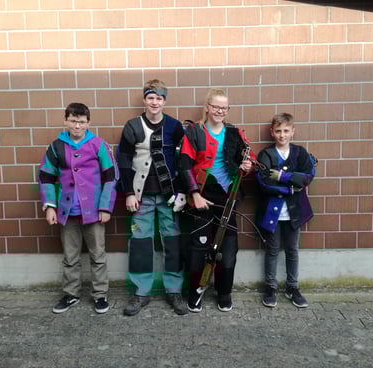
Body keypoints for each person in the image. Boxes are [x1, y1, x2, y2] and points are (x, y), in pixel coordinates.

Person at [117, 79, 188, 316]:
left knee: (173, 243)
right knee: (140, 244)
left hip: (169, 196)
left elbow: (184, 160)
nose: (154, 102)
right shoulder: (133, 126)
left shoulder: (174, 126)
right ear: (144, 100)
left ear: (164, 101)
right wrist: (128, 193)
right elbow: (124, 160)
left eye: (159, 98)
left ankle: (174, 291)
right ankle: (141, 292)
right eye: (150, 97)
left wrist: (182, 191)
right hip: (141, 196)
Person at [38, 102, 118, 314]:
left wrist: (105, 207)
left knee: (97, 255)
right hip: (67, 211)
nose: (77, 126)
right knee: (70, 257)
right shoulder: (56, 146)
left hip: (94, 211)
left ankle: (100, 295)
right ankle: (71, 294)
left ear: (88, 123)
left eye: (81, 122)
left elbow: (111, 177)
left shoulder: (98, 145)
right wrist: (50, 207)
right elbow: (46, 177)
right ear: (65, 121)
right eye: (73, 121)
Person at [179, 88, 254, 313]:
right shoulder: (194, 132)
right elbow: (184, 165)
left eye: (224, 107)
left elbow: (248, 158)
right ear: (207, 107)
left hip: (228, 197)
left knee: (228, 248)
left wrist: (247, 165)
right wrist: (195, 194)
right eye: (216, 106)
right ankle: (195, 291)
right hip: (202, 196)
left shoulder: (234, 132)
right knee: (198, 248)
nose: (220, 111)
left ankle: (224, 292)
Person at [254, 112, 316, 308]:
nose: (282, 135)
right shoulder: (265, 154)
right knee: (272, 250)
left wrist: (282, 176)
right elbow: (263, 181)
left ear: (293, 131)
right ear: (272, 132)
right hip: (272, 212)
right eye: (278, 131)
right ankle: (270, 287)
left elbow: (307, 177)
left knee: (292, 250)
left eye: (286, 131)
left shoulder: (300, 153)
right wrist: (290, 187)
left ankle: (292, 287)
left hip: (294, 211)